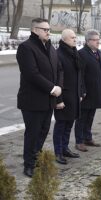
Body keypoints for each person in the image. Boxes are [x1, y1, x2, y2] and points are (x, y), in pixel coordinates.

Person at [16, 18, 62, 177]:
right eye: (45, 29)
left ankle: (37, 160)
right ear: (35, 30)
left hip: (49, 100)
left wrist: (59, 87)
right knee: (33, 133)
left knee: (43, 131)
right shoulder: (26, 48)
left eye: (49, 29)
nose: (48, 32)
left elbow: (59, 69)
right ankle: (28, 165)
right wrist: (51, 88)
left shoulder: (50, 47)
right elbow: (31, 74)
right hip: (32, 100)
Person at [53, 29, 84, 164]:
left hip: (74, 96)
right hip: (63, 97)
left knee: (69, 124)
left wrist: (80, 92)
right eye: (72, 38)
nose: (75, 40)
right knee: (60, 125)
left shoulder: (73, 53)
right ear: (64, 39)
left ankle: (65, 148)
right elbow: (56, 79)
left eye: (75, 37)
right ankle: (58, 152)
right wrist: (58, 100)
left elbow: (79, 75)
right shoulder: (58, 54)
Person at [74, 29, 101, 151]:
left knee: (90, 117)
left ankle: (88, 138)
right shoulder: (82, 54)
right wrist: (82, 91)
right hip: (86, 93)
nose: (98, 42)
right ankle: (79, 141)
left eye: (98, 39)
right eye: (95, 40)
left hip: (96, 91)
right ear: (88, 41)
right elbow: (80, 75)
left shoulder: (98, 52)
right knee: (81, 119)